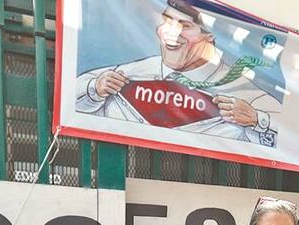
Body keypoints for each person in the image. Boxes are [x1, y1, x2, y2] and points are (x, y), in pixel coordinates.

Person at [75, 0, 281, 145]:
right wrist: (94, 89)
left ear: (210, 35)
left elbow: (295, 140)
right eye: (167, 21)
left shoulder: (246, 95)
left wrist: (257, 119)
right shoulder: (131, 73)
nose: (171, 33)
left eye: (185, 26)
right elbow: (68, 103)